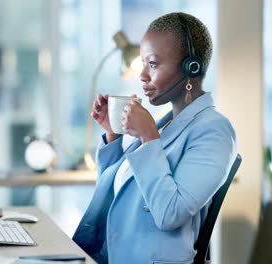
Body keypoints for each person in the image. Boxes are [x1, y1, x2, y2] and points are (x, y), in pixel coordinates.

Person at [73, 12, 237, 264]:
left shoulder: (215, 131)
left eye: (153, 64)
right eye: (143, 64)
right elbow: (119, 191)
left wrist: (148, 137)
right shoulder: (165, 123)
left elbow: (171, 213)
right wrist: (113, 136)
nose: (142, 76)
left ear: (190, 67)